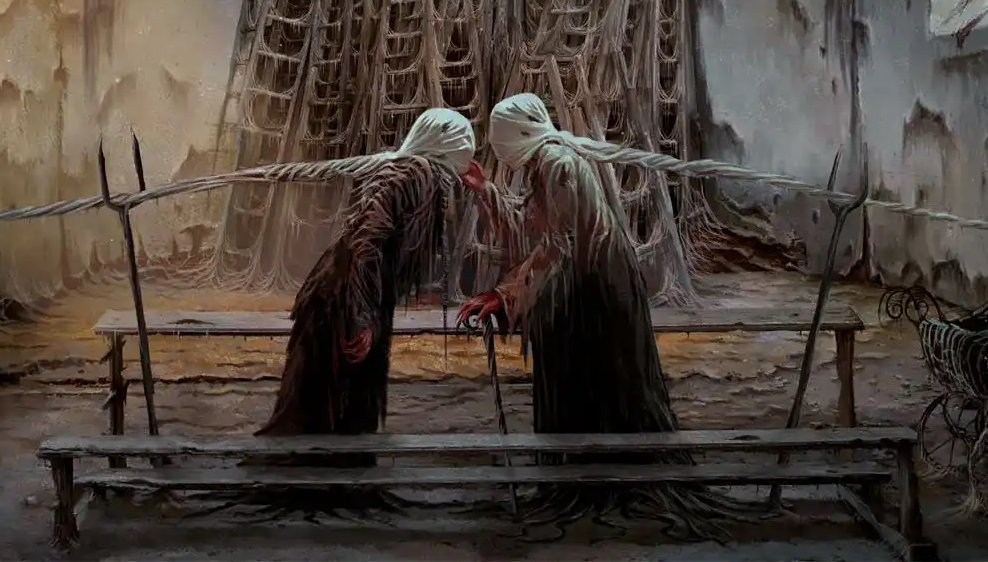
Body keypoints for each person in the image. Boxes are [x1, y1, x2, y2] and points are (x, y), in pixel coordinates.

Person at [456, 92, 722, 530]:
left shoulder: (558, 163)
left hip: (598, 289)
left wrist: (503, 295)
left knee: (607, 384)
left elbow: (555, 247)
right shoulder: (546, 164)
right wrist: (486, 191)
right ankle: (588, 482)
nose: (499, 149)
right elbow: (531, 229)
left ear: (517, 134)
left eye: (500, 139)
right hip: (584, 287)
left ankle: (603, 484)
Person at [258, 107, 485, 462]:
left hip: (357, 297)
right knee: (326, 403)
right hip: (342, 299)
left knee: (351, 402)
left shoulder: (423, 174)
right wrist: (362, 318)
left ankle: (338, 479)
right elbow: (367, 242)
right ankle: (313, 479)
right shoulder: (410, 172)